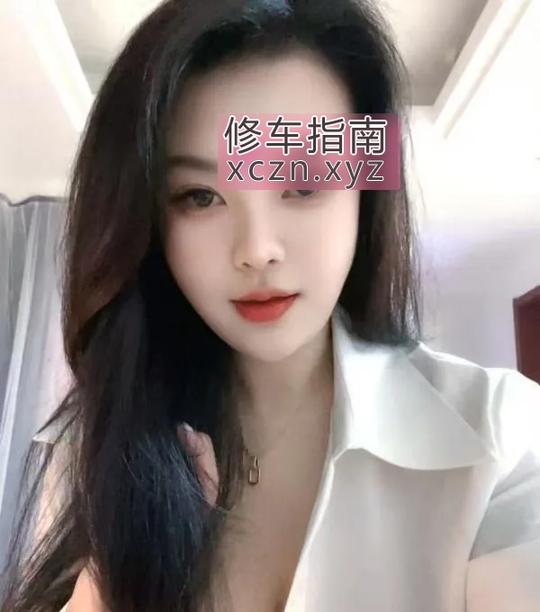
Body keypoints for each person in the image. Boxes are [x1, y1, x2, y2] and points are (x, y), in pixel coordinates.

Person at [1, 1, 539, 611]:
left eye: (303, 184)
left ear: (364, 194)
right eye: (199, 196)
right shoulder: (96, 450)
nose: (256, 250)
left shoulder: (501, 434)